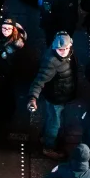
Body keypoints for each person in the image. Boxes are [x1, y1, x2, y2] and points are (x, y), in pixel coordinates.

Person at [27, 32, 78, 160]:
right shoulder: (51, 62)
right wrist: (33, 97)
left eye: (67, 48)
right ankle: (49, 147)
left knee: (52, 119)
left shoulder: (69, 53)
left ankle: (44, 138)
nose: (64, 51)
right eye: (61, 49)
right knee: (54, 123)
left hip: (62, 95)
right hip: (56, 98)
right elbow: (39, 81)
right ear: (55, 48)